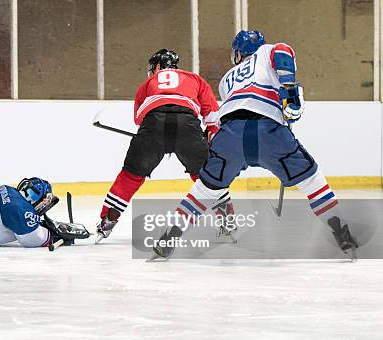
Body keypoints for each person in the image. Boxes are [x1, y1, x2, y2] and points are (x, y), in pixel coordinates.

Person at [152, 30, 358, 259]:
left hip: (230, 136)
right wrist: (290, 94)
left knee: (204, 190)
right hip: (268, 132)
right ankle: (343, 234)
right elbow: (283, 56)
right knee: (312, 181)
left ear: (238, 53)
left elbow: (239, 102)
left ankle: (171, 235)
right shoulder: (269, 51)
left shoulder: (226, 79)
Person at [96, 48, 235, 243]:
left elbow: (139, 119)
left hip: (153, 124)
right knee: (208, 178)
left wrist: (156, 136)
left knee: (131, 175)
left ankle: (107, 220)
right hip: (188, 125)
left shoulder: (147, 84)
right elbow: (212, 116)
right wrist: (208, 134)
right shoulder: (195, 79)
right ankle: (228, 222)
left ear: (159, 66)